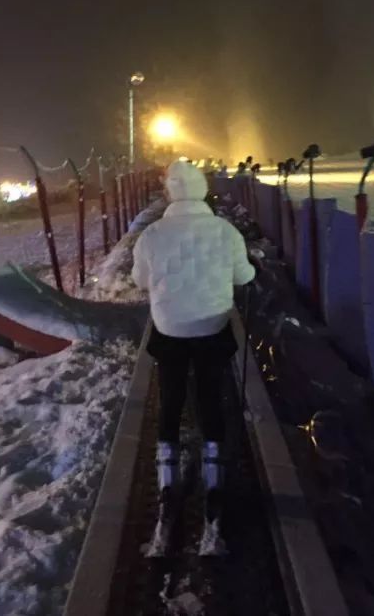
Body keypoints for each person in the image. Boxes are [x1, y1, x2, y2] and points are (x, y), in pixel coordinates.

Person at [131, 160, 256, 554]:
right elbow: (243, 278)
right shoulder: (225, 231)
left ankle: (168, 474)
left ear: (169, 192)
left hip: (169, 330)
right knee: (209, 397)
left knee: (170, 398)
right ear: (202, 190)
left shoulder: (151, 234)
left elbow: (140, 280)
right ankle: (214, 476)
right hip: (212, 329)